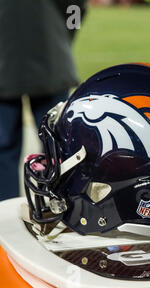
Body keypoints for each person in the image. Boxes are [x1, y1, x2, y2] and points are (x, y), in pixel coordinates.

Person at [0, 0, 87, 202]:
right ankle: (57, 209)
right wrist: (64, 37)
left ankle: (4, 218)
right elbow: (76, 7)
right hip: (51, 55)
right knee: (57, 146)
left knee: (4, 150)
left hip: (6, 58)